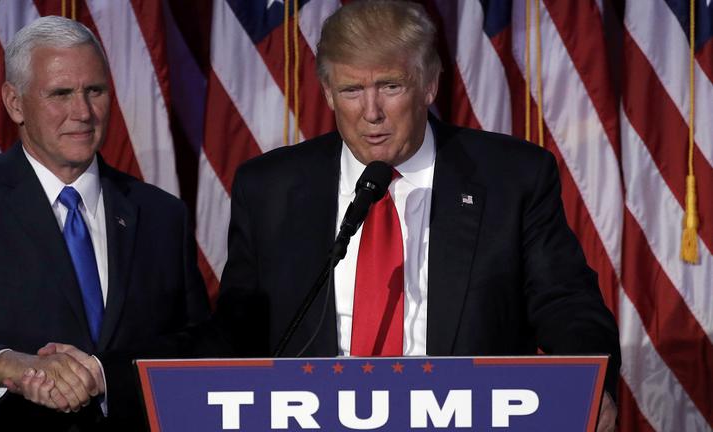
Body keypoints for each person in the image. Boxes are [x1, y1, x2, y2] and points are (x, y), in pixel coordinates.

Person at [213, 1, 620, 431]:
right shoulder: (269, 188)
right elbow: (238, 325)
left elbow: (567, 304)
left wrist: (591, 387)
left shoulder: (512, 179)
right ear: (328, 92)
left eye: (390, 86)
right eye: (351, 91)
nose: (371, 112)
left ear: (429, 85)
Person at [0, 15, 208, 431]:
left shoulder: (161, 214)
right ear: (15, 103)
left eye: (95, 91)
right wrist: (9, 367)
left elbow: (199, 345)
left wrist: (105, 374)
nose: (83, 112)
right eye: (61, 93)